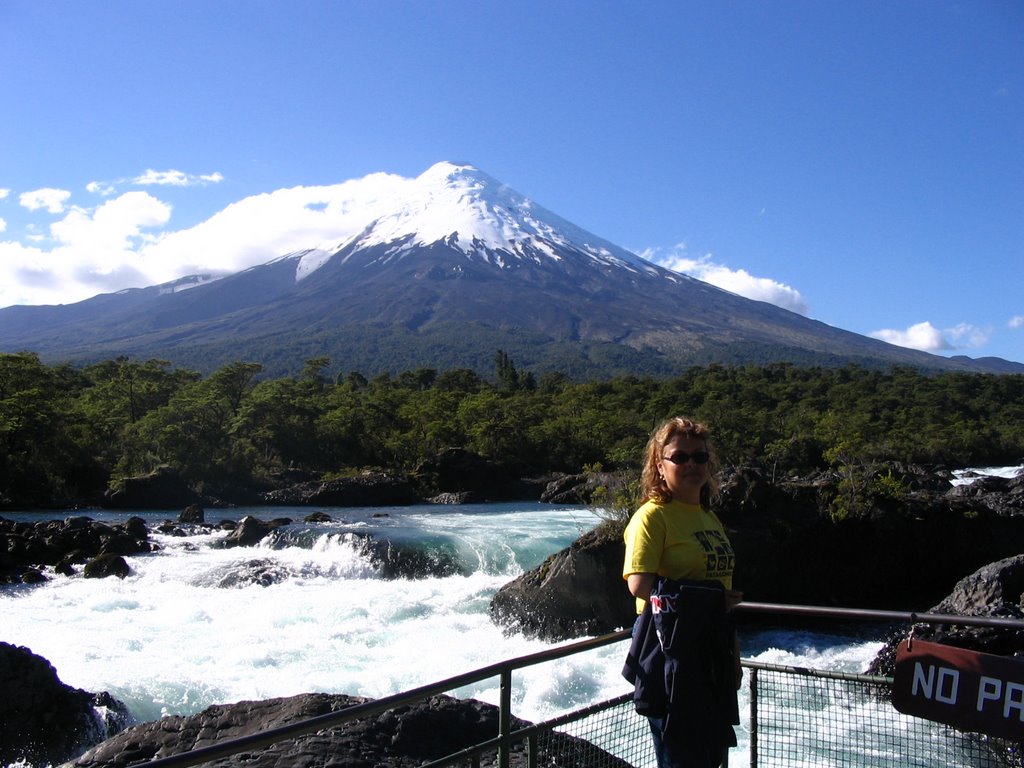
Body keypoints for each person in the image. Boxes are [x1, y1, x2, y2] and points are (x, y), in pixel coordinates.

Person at [621, 417, 741, 768]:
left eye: (700, 457)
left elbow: (725, 595)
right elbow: (639, 584)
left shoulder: (709, 519)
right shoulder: (652, 517)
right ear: (660, 465)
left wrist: (733, 657)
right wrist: (708, 599)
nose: (691, 464)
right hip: (672, 658)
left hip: (711, 657)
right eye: (680, 457)